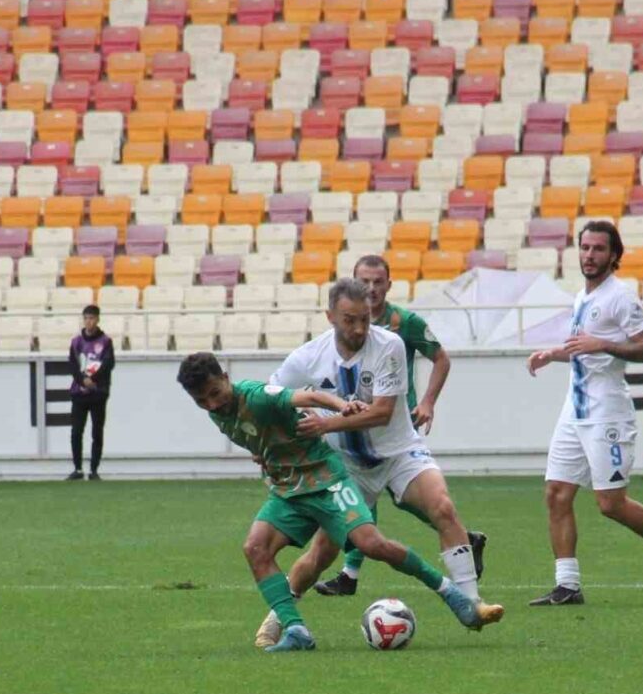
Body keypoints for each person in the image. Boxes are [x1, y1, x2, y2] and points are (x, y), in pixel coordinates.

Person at [176, 352, 504, 653]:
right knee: (255, 548)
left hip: (326, 480)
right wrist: (264, 453)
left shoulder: (257, 395)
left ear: (226, 378)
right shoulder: (219, 413)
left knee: (372, 545)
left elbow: (309, 397)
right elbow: (260, 436)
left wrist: (341, 406)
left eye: (215, 393)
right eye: (201, 400)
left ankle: (453, 595)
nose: (212, 403)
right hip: (288, 489)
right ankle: (296, 630)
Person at [255, 278, 495, 647]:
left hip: (399, 452)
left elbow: (382, 413)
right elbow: (272, 400)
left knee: (443, 507)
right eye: (349, 320)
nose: (359, 328)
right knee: (322, 552)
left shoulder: (389, 345)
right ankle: (275, 621)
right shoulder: (307, 357)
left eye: (365, 319)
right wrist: (266, 445)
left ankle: (472, 604)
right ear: (330, 317)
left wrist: (325, 424)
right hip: (347, 467)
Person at [526, 220, 643, 605]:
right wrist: (553, 354)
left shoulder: (620, 297)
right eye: (585, 248)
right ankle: (567, 586)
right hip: (575, 409)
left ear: (614, 255)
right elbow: (583, 348)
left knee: (611, 504)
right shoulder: (582, 296)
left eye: (598, 249)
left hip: (608, 413)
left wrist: (602, 343)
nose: (590, 255)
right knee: (556, 493)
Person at [306, 257, 487, 599]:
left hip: (394, 428)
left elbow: (441, 358)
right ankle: (344, 576)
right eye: (364, 281)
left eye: (378, 282)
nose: (371, 288)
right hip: (352, 436)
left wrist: (428, 402)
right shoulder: (330, 339)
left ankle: (467, 587)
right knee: (357, 512)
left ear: (389, 285)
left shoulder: (403, 323)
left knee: (427, 503)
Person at [67, 304, 115, 481]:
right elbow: (73, 365)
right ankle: (78, 468)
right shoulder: (76, 342)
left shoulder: (106, 341)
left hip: (98, 392)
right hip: (79, 393)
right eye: (86, 318)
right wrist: (82, 380)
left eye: (92, 318)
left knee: (97, 432)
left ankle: (94, 470)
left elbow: (108, 364)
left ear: (98, 319)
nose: (89, 322)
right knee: (76, 431)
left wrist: (93, 380)